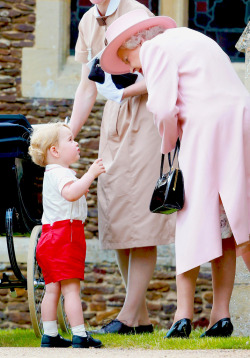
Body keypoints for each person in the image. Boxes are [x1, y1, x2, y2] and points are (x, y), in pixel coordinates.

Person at [100, 9, 250, 338]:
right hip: (240, 121)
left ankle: (182, 316)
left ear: (133, 42)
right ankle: (220, 317)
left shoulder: (154, 49)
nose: (131, 68)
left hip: (205, 129)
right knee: (228, 222)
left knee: (192, 216)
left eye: (126, 59)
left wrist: (169, 144)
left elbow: (164, 107)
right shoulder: (192, 37)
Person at [69, 0, 176, 334]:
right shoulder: (88, 21)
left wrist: (125, 91)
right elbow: (88, 85)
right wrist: (65, 134)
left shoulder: (138, 13)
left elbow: (163, 72)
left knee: (141, 218)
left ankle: (128, 317)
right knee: (118, 218)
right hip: (114, 122)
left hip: (145, 115)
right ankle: (139, 318)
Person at [28, 122, 105, 348]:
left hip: (49, 236)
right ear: (55, 150)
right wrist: (90, 174)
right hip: (66, 236)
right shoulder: (61, 173)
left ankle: (50, 334)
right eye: (70, 140)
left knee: (52, 288)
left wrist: (81, 183)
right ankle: (80, 334)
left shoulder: (53, 173)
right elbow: (70, 194)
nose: (76, 142)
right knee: (71, 288)